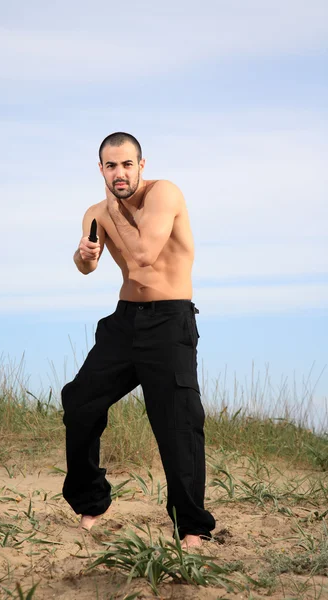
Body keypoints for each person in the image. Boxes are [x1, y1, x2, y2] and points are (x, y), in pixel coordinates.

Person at [61, 132, 215, 548]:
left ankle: (192, 527)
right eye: (111, 166)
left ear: (141, 165)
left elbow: (145, 253)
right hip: (125, 321)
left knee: (177, 422)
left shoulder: (163, 194)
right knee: (79, 400)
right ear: (101, 170)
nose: (120, 173)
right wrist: (84, 256)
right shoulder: (96, 212)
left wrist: (113, 210)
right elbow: (85, 267)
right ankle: (91, 500)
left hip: (169, 321)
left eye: (127, 164)